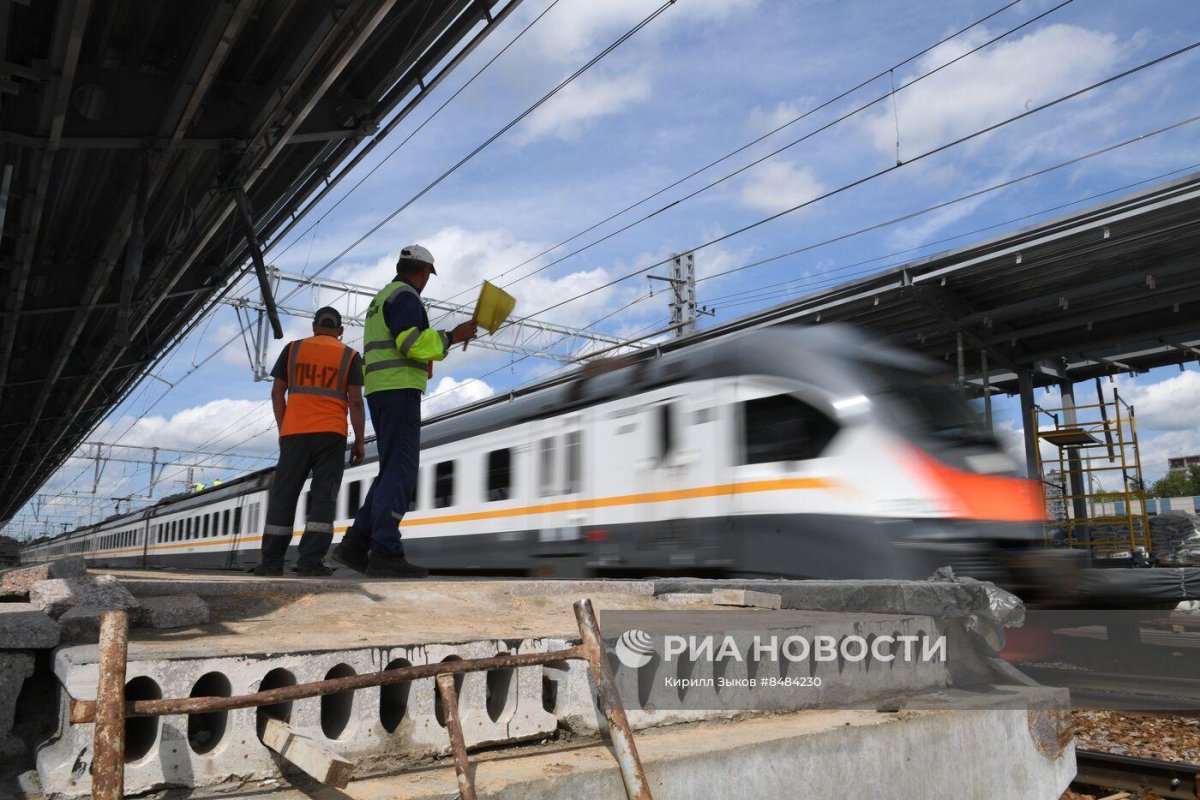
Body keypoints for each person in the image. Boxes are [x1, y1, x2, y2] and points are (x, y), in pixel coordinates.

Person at [331, 244, 476, 578]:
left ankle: (355, 544)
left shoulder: (382, 297)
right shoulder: (406, 296)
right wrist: (452, 336)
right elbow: (410, 343)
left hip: (382, 391)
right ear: (425, 273)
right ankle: (385, 550)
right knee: (402, 471)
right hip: (398, 391)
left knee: (389, 470)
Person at [255, 306, 366, 576]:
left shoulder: (293, 349)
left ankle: (271, 563)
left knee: (284, 496)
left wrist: (284, 429)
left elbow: (277, 393)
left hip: (294, 434)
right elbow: (355, 402)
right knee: (323, 499)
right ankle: (309, 562)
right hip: (331, 435)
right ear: (340, 331)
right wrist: (359, 441)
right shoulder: (350, 356)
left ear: (315, 326)